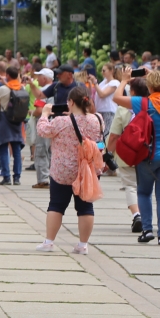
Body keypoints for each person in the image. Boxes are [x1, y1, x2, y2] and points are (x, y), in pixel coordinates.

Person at [35, 85, 102, 254]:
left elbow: (43, 130)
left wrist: (44, 114)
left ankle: (49, 242)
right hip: (87, 171)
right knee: (86, 208)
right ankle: (83, 245)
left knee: (56, 205)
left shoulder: (60, 122)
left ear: (71, 102)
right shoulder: (98, 120)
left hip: (63, 171)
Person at [113, 71, 160, 243]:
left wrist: (124, 80)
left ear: (149, 86)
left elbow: (117, 98)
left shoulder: (143, 103)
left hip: (147, 156)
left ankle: (147, 230)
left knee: (144, 193)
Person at [0, 65, 28, 186]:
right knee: (16, 149)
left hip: (5, 120)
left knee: (3, 148)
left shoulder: (3, 89)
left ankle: (6, 177)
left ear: (7, 75)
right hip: (17, 120)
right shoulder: (22, 88)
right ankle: (17, 177)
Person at [28, 68, 55, 189]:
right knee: (52, 152)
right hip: (55, 124)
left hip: (44, 124)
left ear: (45, 78)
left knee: (41, 151)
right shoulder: (57, 89)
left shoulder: (44, 91)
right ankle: (54, 179)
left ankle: (43, 179)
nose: (38, 79)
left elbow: (39, 110)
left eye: (39, 77)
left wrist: (32, 113)